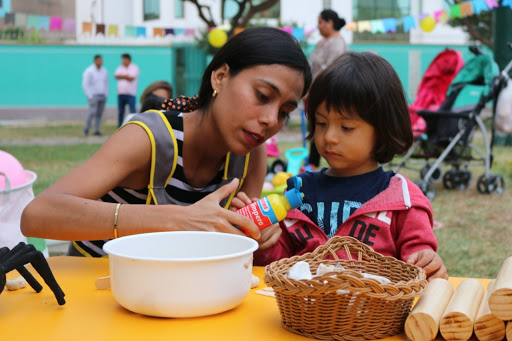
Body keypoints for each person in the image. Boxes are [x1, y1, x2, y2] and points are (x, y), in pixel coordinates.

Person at [20, 27, 312, 257]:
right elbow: (38, 214)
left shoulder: (251, 154)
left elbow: (226, 247)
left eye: (285, 112)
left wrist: (256, 234)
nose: (271, 120)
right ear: (221, 77)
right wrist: (177, 219)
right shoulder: (149, 137)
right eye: (262, 96)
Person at [253, 52, 447, 281]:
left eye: (346, 127)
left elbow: (419, 260)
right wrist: (264, 242)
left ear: (383, 129)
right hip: (302, 313)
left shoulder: (402, 200)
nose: (330, 137)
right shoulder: (298, 193)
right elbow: (280, 262)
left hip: (375, 313)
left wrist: (427, 261)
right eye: (322, 123)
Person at [308, 9, 347, 169]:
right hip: (316, 92)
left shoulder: (337, 43)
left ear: (330, 23)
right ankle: (312, 164)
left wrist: (313, 92)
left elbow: (330, 69)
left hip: (329, 94)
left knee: (324, 126)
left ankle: (326, 164)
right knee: (316, 126)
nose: (318, 26)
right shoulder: (323, 42)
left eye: (320, 22)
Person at [82, 54, 108, 136]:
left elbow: (106, 83)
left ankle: (96, 130)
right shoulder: (89, 71)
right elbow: (85, 84)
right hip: (93, 95)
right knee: (92, 113)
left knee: (99, 114)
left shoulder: (104, 71)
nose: (100, 62)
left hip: (102, 95)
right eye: (99, 60)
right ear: (95, 61)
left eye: (101, 61)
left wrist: (106, 94)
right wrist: (89, 95)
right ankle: (86, 129)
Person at [114, 53, 140, 127]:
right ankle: (120, 125)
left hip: (131, 93)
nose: (123, 61)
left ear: (128, 59)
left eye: (124, 59)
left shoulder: (134, 67)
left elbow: (131, 78)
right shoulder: (120, 67)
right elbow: (116, 75)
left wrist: (122, 76)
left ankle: (135, 125)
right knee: (120, 111)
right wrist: (126, 76)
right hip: (121, 93)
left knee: (132, 111)